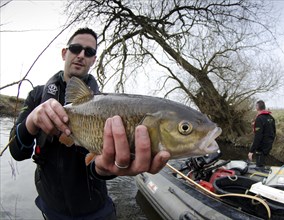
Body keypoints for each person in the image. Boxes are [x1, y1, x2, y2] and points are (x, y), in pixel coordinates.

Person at [8, 27, 170, 220]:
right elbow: (17, 152)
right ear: (64, 52)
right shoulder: (37, 95)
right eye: (76, 48)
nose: (81, 55)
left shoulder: (107, 108)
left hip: (96, 211)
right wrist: (32, 121)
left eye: (89, 52)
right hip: (51, 208)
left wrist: (106, 169)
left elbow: (97, 166)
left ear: (93, 60)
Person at [247, 100, 276, 170]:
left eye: (255, 106)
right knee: (263, 162)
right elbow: (273, 131)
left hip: (261, 147)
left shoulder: (259, 118)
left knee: (259, 166)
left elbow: (258, 137)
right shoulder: (271, 118)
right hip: (269, 145)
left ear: (257, 107)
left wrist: (251, 151)